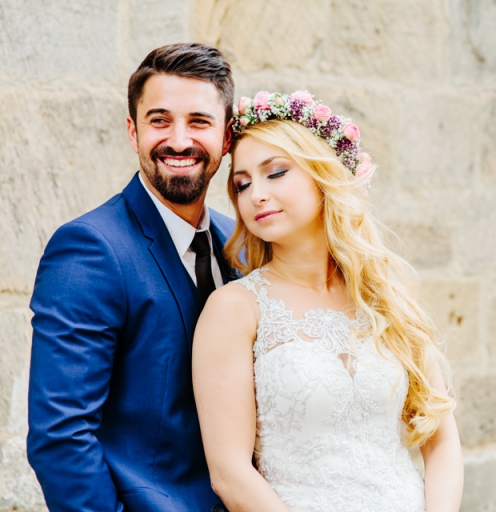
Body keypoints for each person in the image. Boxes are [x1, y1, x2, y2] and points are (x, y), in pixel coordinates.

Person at [192, 91, 464, 512]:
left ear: (323, 175)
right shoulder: (235, 309)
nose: (256, 195)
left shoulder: (386, 296)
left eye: (276, 173)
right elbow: (230, 472)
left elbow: (442, 440)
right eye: (242, 184)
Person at [27, 43, 235, 512]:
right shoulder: (90, 248)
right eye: (159, 120)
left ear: (226, 137)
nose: (178, 140)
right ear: (132, 131)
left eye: (198, 122)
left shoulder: (239, 242)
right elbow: (60, 436)